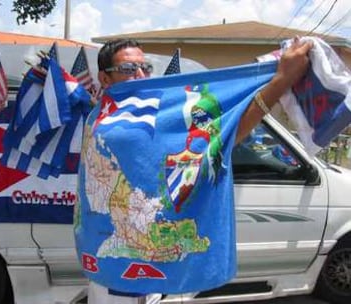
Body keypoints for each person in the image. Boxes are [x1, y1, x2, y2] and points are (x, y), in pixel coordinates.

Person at [76, 37, 313, 304]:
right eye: (129, 69)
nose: (141, 76)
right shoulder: (119, 126)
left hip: (139, 267)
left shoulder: (100, 113)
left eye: (145, 68)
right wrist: (281, 81)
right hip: (119, 282)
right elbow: (226, 135)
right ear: (105, 79)